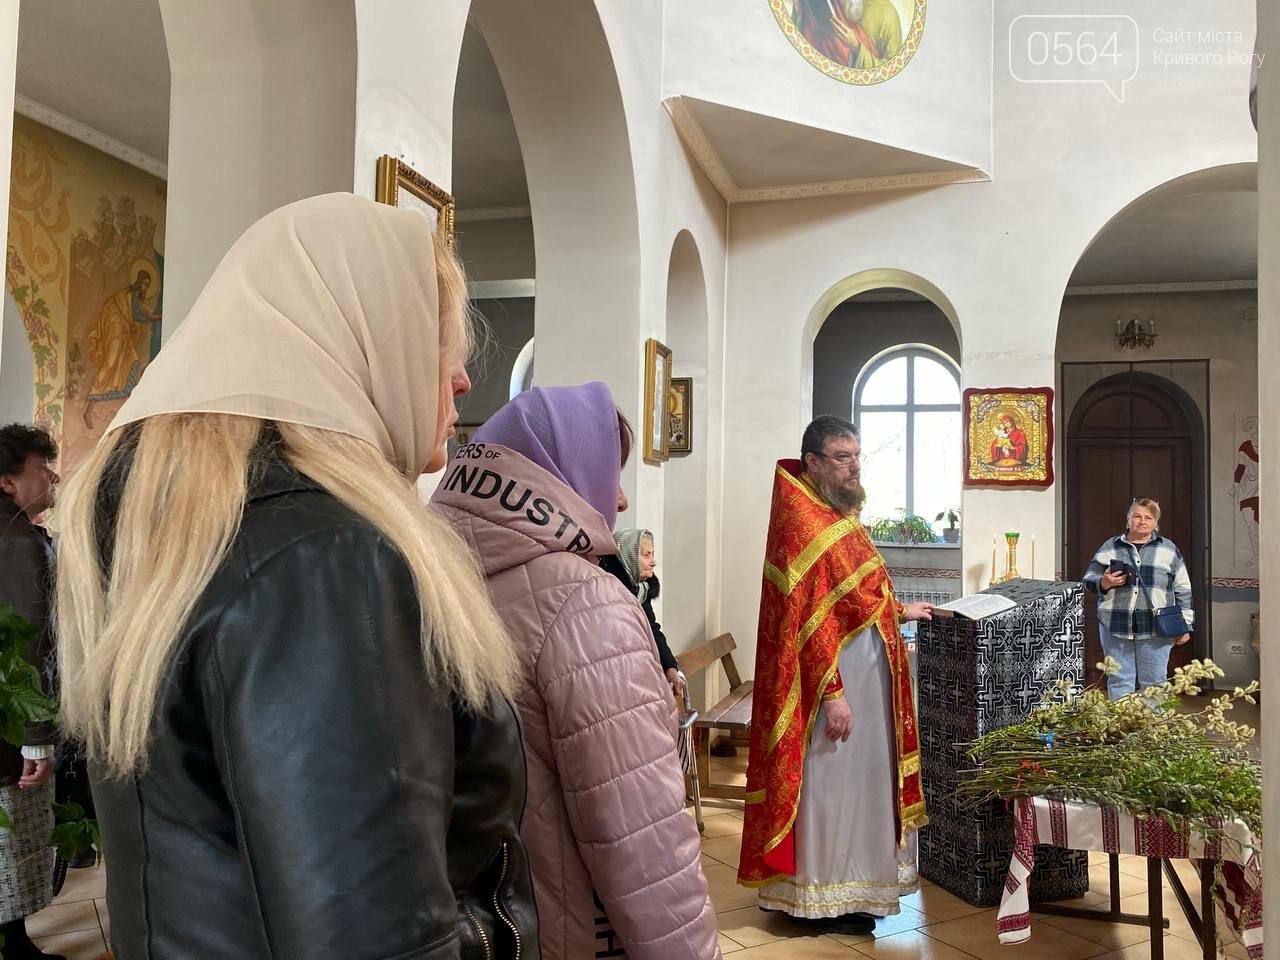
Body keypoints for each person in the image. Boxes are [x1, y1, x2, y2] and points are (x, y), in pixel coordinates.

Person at [55, 194, 538, 959]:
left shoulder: (185, 534)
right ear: (353, 338)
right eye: (435, 336)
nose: (460, 378)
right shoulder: (325, 564)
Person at [432, 384, 720, 960]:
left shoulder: (421, 570)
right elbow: (643, 841)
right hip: (573, 934)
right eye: (611, 474)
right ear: (562, 472)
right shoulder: (583, 603)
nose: (620, 500)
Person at [737, 415, 930, 935]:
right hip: (830, 689)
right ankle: (822, 896)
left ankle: (854, 889)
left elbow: (855, 600)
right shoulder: (804, 522)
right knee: (830, 786)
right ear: (814, 462)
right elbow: (809, 625)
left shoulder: (834, 511)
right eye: (843, 457)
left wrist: (899, 610)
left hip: (867, 683)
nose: (854, 467)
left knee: (861, 786)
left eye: (857, 456)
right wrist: (833, 696)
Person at [0, 424, 62, 960]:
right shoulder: (17, 541)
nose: (53, 477)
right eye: (42, 467)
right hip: (10, 726)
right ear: (6, 480)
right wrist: (37, 738)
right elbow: (28, 645)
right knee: (12, 841)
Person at [1083, 497, 1194, 700]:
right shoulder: (1110, 546)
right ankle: (1123, 720)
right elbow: (1089, 578)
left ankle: (1153, 721)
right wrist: (1104, 582)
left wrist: (1185, 624)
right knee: (1119, 680)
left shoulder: (1168, 549)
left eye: (1148, 518)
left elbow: (1183, 588)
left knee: (1155, 682)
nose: (1142, 521)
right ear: (1128, 519)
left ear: (1156, 522)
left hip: (1156, 627)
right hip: (1114, 624)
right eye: (1137, 516)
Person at [601, 528, 684, 697]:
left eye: (652, 554)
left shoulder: (639, 590)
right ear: (627, 556)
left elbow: (653, 629)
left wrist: (670, 666)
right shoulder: (609, 592)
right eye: (647, 555)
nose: (654, 562)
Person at [792, 0, 904, 69]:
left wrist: (857, 47)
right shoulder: (831, 4)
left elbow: (890, 74)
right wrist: (800, 9)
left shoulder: (887, 14)